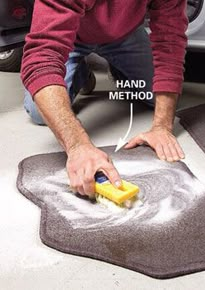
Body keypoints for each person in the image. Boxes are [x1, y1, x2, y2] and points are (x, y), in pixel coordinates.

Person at [21, 0, 188, 197]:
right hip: (73, 35)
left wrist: (162, 127)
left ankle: (120, 69)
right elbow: (42, 57)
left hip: (125, 36)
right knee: (38, 112)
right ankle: (79, 73)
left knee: (159, 93)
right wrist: (78, 146)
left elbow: (169, 42)